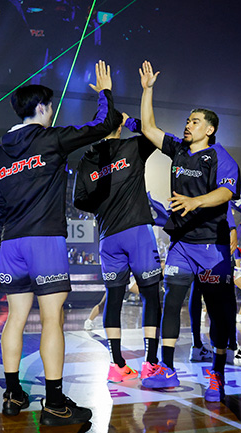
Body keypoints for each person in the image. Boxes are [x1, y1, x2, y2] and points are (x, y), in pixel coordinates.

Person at [0, 60, 120, 426]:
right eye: (51, 106)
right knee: (52, 319)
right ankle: (56, 404)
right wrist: (105, 93)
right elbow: (104, 125)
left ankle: (13, 394)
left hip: (10, 244)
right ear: (42, 108)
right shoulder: (51, 139)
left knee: (15, 318)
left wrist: (5, 236)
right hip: (44, 241)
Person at [138, 61, 241, 403]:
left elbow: (225, 193)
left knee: (218, 312)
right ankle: (166, 368)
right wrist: (148, 90)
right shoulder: (179, 149)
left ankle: (218, 373)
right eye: (187, 120)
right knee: (171, 303)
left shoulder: (221, 158)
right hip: (181, 245)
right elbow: (149, 127)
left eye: (195, 121)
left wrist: (195, 202)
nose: (187, 124)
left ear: (209, 129)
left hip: (212, 247)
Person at [73, 113, 163, 383]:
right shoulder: (132, 146)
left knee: (113, 299)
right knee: (150, 296)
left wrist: (104, 203)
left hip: (108, 236)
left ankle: (117, 364)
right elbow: (154, 133)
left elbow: (79, 200)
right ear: (120, 127)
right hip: (137, 231)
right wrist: (132, 121)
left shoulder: (87, 160)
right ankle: (150, 363)